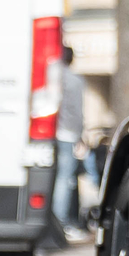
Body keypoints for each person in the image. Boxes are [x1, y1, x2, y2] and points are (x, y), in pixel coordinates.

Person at [55, 44, 88, 236]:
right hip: (68, 134)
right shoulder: (76, 80)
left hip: (50, 133)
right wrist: (80, 135)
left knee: (56, 178)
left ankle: (55, 222)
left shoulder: (51, 77)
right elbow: (78, 111)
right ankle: (62, 223)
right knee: (65, 179)